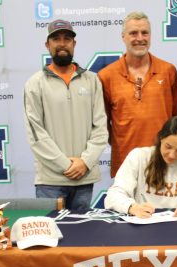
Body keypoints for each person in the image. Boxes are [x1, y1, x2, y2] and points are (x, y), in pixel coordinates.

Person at [24, 19, 108, 211]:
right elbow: (35, 133)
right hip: (50, 180)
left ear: (74, 44)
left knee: (81, 237)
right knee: (50, 239)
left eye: (67, 38)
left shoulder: (92, 80)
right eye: (56, 39)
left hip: (84, 178)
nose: (62, 43)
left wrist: (85, 162)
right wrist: (65, 165)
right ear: (48, 45)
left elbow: (100, 127)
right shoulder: (35, 84)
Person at [98, 11, 177, 178]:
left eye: (145, 33)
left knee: (163, 206)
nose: (140, 38)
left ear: (150, 36)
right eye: (133, 33)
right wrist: (121, 143)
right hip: (125, 165)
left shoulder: (168, 71)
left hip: (164, 162)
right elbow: (102, 123)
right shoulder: (106, 76)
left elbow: (176, 117)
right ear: (123, 37)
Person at [104, 116, 177, 220]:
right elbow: (113, 195)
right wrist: (131, 207)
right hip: (144, 225)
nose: (171, 155)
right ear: (161, 138)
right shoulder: (139, 157)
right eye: (168, 146)